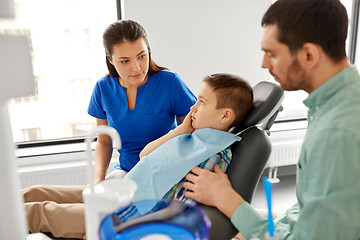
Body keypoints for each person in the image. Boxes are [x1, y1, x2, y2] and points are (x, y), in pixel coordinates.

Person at [182, 0, 360, 239]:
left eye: (271, 54)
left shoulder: (337, 133)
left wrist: (227, 200)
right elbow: (312, 207)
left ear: (308, 55)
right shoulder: (337, 99)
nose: (263, 64)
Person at [23, 19, 196, 239]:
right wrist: (97, 181)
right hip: (124, 173)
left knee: (44, 211)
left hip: (156, 179)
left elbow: (192, 132)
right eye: (125, 61)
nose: (137, 67)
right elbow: (104, 140)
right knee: (31, 194)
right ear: (111, 60)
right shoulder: (103, 88)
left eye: (142, 56)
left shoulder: (169, 82)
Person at [112, 73, 253, 224]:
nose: (193, 107)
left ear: (225, 116)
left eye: (202, 102)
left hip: (133, 217)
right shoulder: (192, 137)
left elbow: (181, 207)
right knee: (88, 196)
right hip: (123, 197)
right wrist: (182, 130)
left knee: (88, 214)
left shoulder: (213, 155)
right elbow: (144, 155)